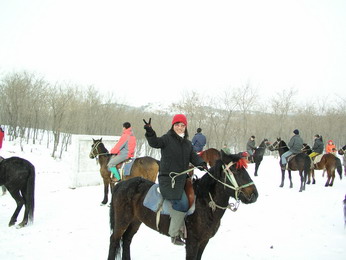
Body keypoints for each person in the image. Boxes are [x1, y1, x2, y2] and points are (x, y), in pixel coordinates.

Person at [143, 114, 207, 246]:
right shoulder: (167, 139)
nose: (180, 127)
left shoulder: (188, 144)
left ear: (185, 127)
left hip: (182, 180)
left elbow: (193, 157)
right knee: (182, 203)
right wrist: (150, 132)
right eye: (177, 125)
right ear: (173, 126)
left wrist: (202, 163)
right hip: (168, 179)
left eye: (182, 125)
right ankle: (174, 233)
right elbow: (155, 142)